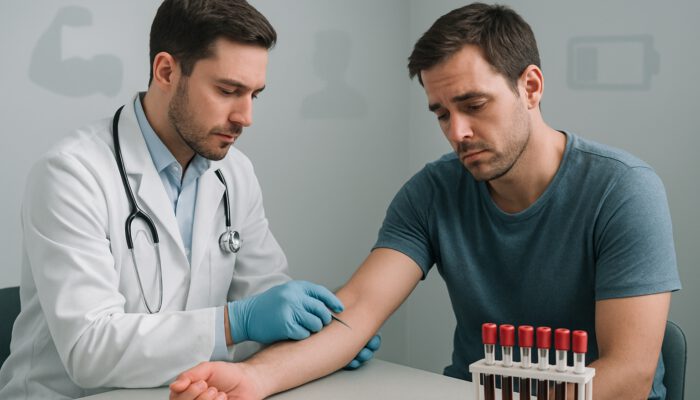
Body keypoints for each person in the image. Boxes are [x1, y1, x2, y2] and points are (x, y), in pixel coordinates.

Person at [169, 3, 681, 400]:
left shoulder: (623, 190)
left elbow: (629, 376)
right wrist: (251, 379)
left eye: (474, 105)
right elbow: (359, 309)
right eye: (441, 113)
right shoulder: (434, 191)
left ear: (530, 87)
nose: (458, 133)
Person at [0, 1, 378, 399]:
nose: (245, 116)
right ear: (166, 71)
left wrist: (317, 333)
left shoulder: (234, 174)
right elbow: (89, 349)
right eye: (228, 91)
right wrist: (238, 322)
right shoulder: (72, 173)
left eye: (254, 95)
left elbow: (267, 299)